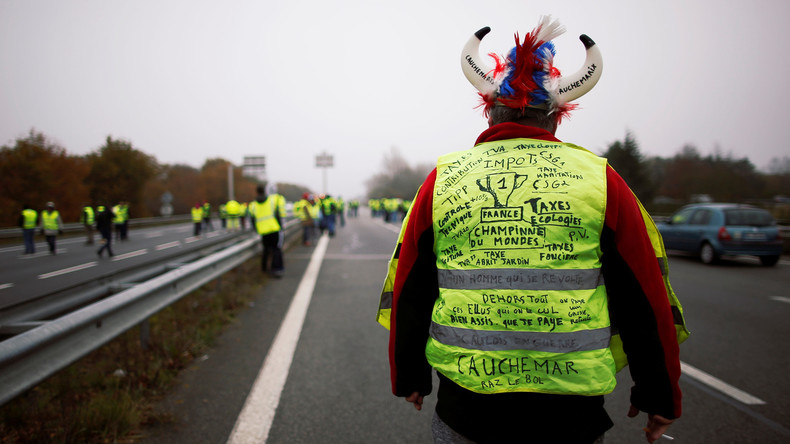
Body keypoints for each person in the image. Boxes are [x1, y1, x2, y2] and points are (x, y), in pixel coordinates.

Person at [376, 17, 689, 444]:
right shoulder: (601, 180)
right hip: (572, 418)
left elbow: (411, 284)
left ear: (489, 113)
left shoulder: (444, 179)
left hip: (466, 411)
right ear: (557, 119)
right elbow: (643, 295)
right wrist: (659, 396)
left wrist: (409, 376)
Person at [250, 184, 285, 278]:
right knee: (276, 250)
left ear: (256, 192)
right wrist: (280, 227)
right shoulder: (271, 202)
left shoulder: (253, 205)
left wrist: (256, 229)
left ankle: (264, 269)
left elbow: (252, 220)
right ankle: (276, 270)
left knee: (266, 250)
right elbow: (277, 215)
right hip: (274, 229)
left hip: (263, 231)